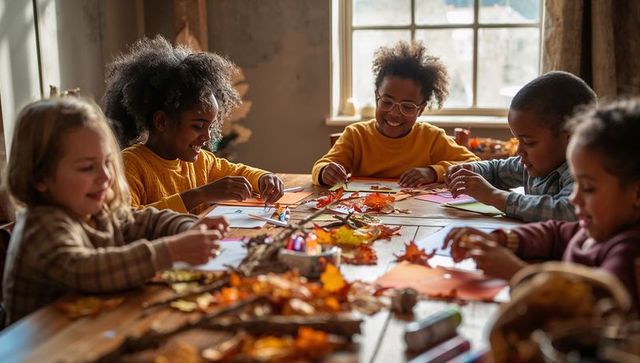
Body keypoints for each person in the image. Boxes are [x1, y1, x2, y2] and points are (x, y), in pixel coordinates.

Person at [2, 97, 228, 325]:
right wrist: (169, 251)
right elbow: (85, 270)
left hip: (91, 330)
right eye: (87, 167)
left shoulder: (97, 210)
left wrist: (189, 227)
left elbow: (146, 221)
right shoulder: (41, 224)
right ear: (40, 177)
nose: (105, 177)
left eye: (108, 163)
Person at [445, 99, 640, 310]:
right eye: (575, 185)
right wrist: (501, 239)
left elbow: (588, 307)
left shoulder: (629, 252)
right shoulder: (593, 230)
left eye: (588, 188)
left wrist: (518, 273)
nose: (574, 199)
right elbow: (555, 233)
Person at [103, 36, 283, 214]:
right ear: (162, 122)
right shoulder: (130, 165)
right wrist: (200, 195)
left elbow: (238, 171)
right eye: (198, 126)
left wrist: (263, 178)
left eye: (210, 127)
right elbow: (127, 219)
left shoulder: (202, 162)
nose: (207, 137)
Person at [312, 40, 478, 187]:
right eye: (387, 102)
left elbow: (474, 164)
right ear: (377, 96)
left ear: (420, 109)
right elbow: (321, 166)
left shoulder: (431, 137)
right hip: (363, 216)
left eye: (407, 106)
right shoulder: (356, 135)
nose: (394, 113)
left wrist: (433, 172)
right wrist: (325, 172)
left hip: (417, 217)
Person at [446, 71, 597, 222]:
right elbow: (497, 171)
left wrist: (494, 196)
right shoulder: (532, 164)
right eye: (518, 140)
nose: (519, 151)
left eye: (529, 143)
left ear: (571, 138)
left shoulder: (583, 172)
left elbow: (565, 210)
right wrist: (470, 170)